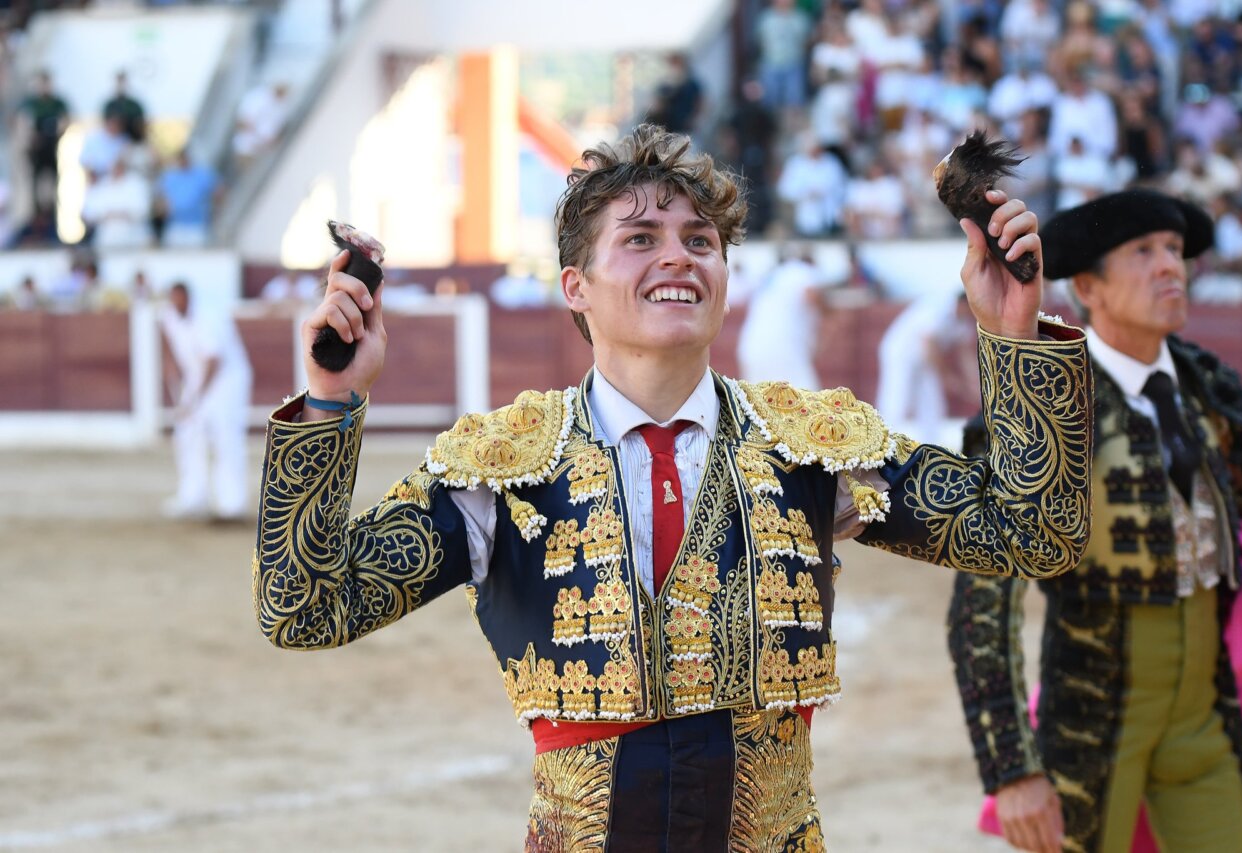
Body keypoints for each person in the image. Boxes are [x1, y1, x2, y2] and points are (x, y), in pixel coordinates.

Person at [252, 125, 1094, 848]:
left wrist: (1013, 335)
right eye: (641, 238)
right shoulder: (502, 465)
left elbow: (1032, 533)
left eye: (701, 240)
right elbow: (305, 606)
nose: (678, 259)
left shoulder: (811, 444)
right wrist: (331, 402)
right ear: (574, 287)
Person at [947, 189, 1242, 853]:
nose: (1169, 267)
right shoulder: (1045, 403)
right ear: (1088, 284)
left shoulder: (1210, 391)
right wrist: (1011, 768)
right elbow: (983, 600)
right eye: (1144, 252)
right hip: (1092, 716)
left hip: (1208, 710)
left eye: (1176, 251)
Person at [159, 282, 253, 522]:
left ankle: (232, 503)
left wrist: (195, 397)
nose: (176, 304)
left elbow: (215, 361)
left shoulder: (208, 315)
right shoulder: (170, 315)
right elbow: (170, 347)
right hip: (197, 375)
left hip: (227, 378)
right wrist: (175, 377)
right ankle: (192, 497)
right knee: (187, 432)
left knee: (225, 436)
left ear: (188, 298)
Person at [874, 290, 976, 447]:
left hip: (925, 362)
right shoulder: (938, 307)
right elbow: (928, 345)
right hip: (902, 354)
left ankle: (931, 444)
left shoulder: (964, 321)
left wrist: (975, 382)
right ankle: (882, 443)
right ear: (963, 304)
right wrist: (947, 377)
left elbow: (965, 356)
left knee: (932, 401)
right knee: (897, 398)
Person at [735, 243, 830, 389]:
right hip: (783, 350)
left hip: (751, 348)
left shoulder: (772, 275)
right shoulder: (802, 271)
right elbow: (811, 294)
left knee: (760, 405)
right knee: (810, 403)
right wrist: (827, 310)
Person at [17, 70, 69, 219]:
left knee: (53, 185)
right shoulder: (30, 103)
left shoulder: (57, 102)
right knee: (34, 186)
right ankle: (35, 218)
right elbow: (20, 121)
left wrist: (57, 131)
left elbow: (65, 121)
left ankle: (52, 218)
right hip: (35, 150)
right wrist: (30, 137)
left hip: (52, 148)